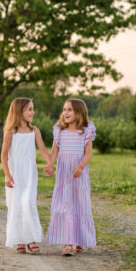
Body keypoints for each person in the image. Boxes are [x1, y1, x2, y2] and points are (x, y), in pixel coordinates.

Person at [44, 98, 96, 256]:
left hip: (78, 175)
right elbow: (54, 152)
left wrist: (80, 166)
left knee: (79, 205)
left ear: (79, 113)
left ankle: (79, 240)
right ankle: (67, 243)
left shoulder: (86, 131)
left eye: (69, 110)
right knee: (65, 206)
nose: (65, 113)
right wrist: (50, 164)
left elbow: (88, 153)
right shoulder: (59, 130)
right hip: (64, 175)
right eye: (64, 109)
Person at [1, 97, 51, 254]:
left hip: (29, 173)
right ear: (19, 111)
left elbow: (42, 149)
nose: (33, 112)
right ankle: (19, 240)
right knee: (16, 205)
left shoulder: (34, 131)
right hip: (15, 173)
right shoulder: (10, 132)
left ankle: (31, 239)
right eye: (30, 109)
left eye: (33, 109)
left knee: (28, 202)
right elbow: (3, 155)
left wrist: (49, 163)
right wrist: (7, 175)